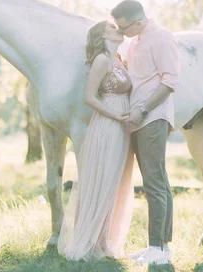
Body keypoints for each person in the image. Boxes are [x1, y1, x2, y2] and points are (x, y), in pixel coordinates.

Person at [58, 20, 135, 261]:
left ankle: (105, 240)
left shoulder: (118, 59)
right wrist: (114, 115)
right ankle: (91, 241)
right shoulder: (102, 60)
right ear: (102, 34)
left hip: (122, 123)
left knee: (116, 180)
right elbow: (89, 97)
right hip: (108, 121)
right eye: (112, 26)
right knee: (103, 178)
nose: (118, 28)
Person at [111, 0, 180, 266]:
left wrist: (145, 109)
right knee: (157, 180)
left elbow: (170, 80)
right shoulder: (135, 42)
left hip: (153, 116)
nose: (120, 31)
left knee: (154, 181)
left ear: (138, 21)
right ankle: (161, 247)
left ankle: (158, 248)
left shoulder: (162, 38)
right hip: (138, 118)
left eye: (122, 26)